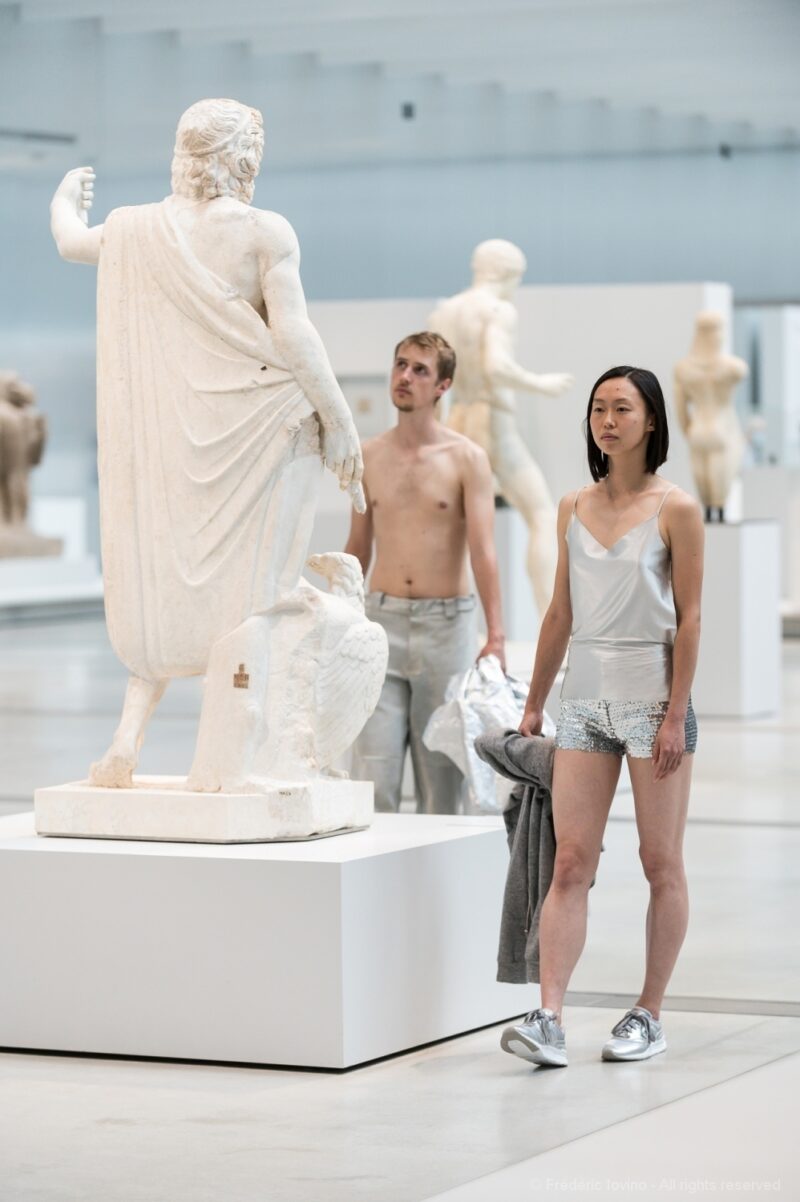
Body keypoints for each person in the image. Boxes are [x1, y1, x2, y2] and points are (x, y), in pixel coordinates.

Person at [49, 98, 363, 791]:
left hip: (176, 433)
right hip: (263, 425)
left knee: (165, 576)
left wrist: (64, 198)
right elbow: (292, 332)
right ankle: (220, 760)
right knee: (256, 593)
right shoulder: (261, 231)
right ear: (245, 158)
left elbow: (73, 241)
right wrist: (338, 417)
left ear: (183, 156)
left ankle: (127, 738)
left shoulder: (135, 230)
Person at [501, 365, 704, 1067]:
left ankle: (649, 1011)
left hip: (654, 702)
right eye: (597, 409)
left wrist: (676, 713)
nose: (606, 420)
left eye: (622, 408)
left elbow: (692, 616)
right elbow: (559, 612)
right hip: (584, 703)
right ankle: (548, 1015)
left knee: (660, 862)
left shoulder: (676, 507)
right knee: (571, 861)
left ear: (651, 421)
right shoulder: (570, 506)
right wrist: (533, 701)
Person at [346, 331, 505, 814]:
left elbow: (483, 550)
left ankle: (429, 891)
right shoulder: (369, 455)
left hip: (446, 628)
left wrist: (496, 633)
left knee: (442, 782)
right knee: (373, 777)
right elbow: (358, 546)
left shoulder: (467, 459)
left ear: (442, 386)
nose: (405, 377)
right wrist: (341, 616)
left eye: (420, 370)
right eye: (400, 365)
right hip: (381, 622)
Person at [430, 239, 573, 622]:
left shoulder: (445, 311)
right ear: (506, 274)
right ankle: (551, 623)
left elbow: (436, 377)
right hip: (493, 421)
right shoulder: (498, 311)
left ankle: (461, 627)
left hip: (457, 422)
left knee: (456, 528)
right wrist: (539, 383)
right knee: (542, 514)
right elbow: (496, 366)